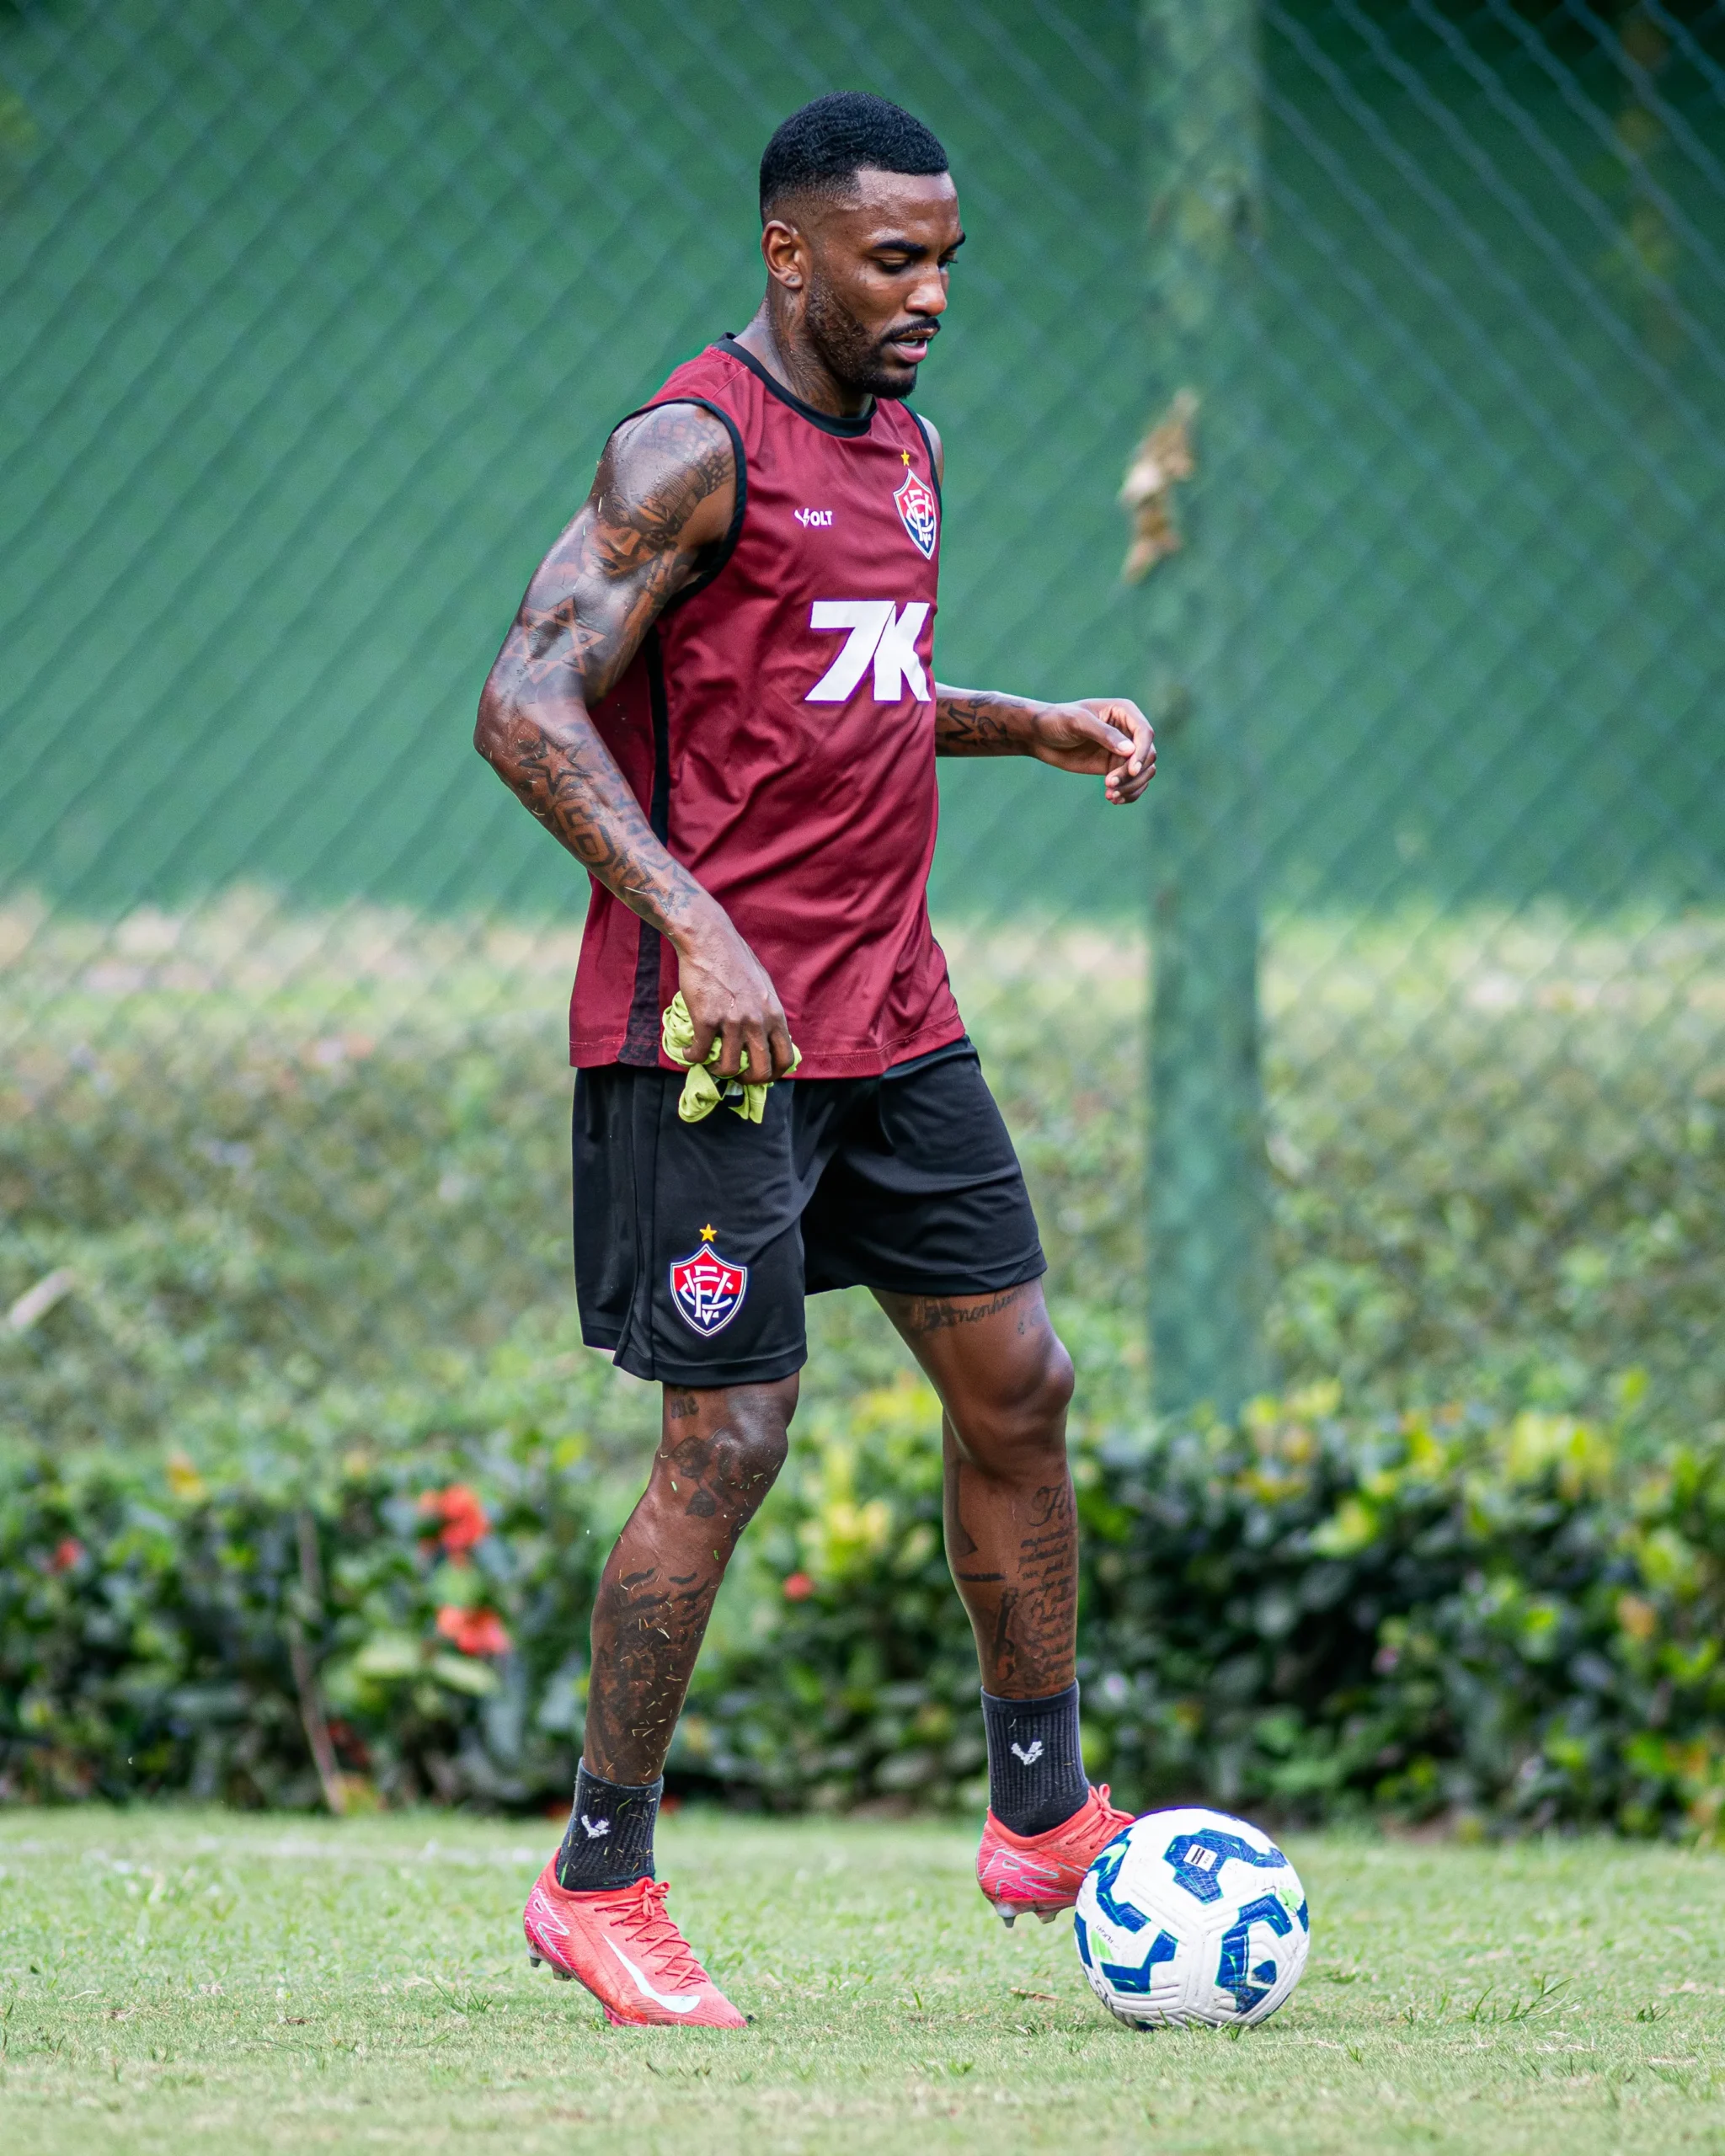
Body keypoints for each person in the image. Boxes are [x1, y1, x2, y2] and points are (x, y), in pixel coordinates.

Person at [476, 90, 1155, 2031]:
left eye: (947, 256)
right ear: (791, 253)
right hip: (708, 1043)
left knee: (1018, 1379)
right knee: (729, 1439)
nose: (931, 290)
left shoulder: (912, 448)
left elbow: (831, 688)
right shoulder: (688, 447)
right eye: (892, 257)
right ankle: (595, 1874)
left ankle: (1041, 1809)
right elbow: (524, 697)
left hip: (891, 1015)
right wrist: (695, 925)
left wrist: (1016, 720)